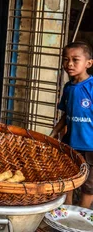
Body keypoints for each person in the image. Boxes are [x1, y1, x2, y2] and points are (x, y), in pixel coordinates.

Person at [51, 41, 93, 209]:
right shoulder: (68, 87)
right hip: (70, 144)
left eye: (76, 60)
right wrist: (54, 133)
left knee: (88, 186)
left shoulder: (91, 87)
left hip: (90, 146)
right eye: (66, 59)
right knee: (68, 178)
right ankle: (65, 213)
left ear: (88, 63)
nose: (69, 64)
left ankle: (80, 217)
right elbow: (65, 115)